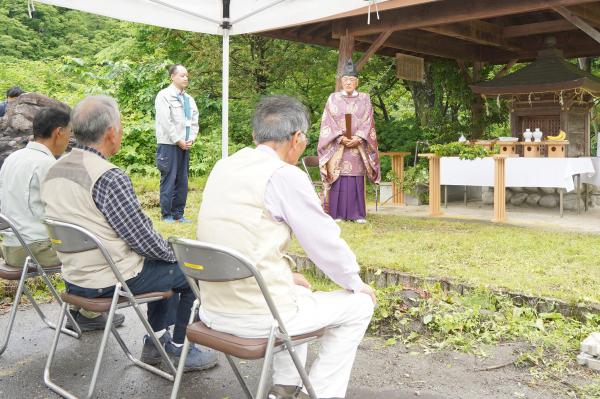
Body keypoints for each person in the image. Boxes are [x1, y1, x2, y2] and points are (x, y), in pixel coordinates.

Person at [197, 95, 376, 399]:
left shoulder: (224, 166)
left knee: (300, 289)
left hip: (212, 308)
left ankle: (286, 387)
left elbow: (228, 235)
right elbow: (322, 241)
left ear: (256, 136)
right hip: (256, 316)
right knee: (360, 306)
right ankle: (318, 393)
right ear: (296, 138)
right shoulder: (283, 175)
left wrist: (281, 275)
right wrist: (355, 282)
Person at [41, 95, 217, 371]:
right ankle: (181, 350)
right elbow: (142, 239)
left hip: (74, 277)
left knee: (164, 266)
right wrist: (176, 254)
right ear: (111, 132)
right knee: (188, 270)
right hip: (108, 278)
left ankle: (156, 342)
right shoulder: (107, 176)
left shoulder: (55, 168)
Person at [0, 107, 122, 331]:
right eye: (70, 132)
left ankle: (78, 310)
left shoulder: (12, 159)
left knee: (75, 241)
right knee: (97, 247)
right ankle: (89, 311)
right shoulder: (48, 165)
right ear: (59, 132)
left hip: (9, 247)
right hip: (34, 249)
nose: (70, 138)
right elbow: (70, 213)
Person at [318, 59, 380, 224]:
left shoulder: (365, 98)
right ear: (341, 82)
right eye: (345, 80)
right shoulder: (333, 98)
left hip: (357, 146)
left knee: (355, 178)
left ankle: (358, 214)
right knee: (338, 177)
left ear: (357, 82)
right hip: (338, 146)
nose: (348, 82)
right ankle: (336, 213)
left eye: (351, 80)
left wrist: (359, 137)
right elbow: (327, 121)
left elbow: (368, 120)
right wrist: (339, 137)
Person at [154, 64, 199, 223]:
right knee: (169, 179)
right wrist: (177, 140)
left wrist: (191, 138)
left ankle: (179, 214)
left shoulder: (189, 99)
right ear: (172, 77)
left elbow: (194, 121)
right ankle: (167, 215)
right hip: (169, 144)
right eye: (182, 75)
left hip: (185, 145)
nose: (186, 78)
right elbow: (166, 122)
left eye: (187, 75)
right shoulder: (164, 95)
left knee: (182, 180)